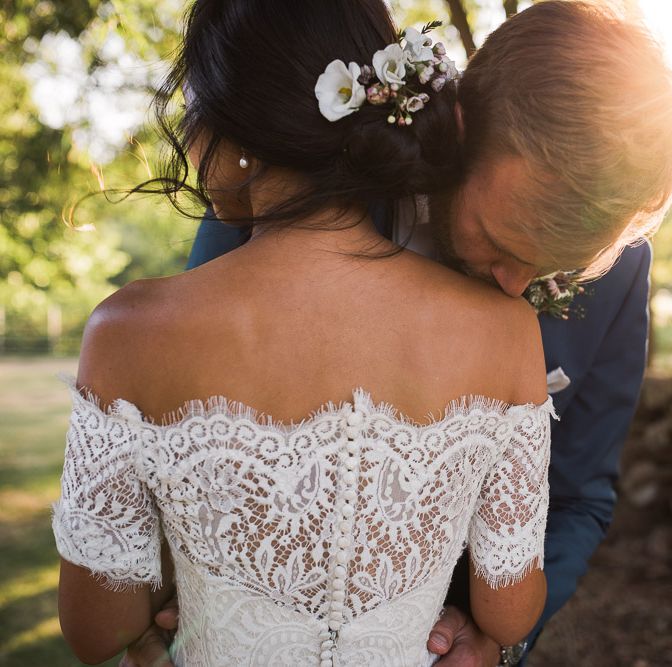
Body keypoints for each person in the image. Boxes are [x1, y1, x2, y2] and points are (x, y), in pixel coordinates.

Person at [121, 2, 672, 666]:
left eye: (550, 267)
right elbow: (182, 398)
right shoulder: (307, 170)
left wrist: (495, 641)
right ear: (463, 127)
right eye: (500, 241)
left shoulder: (620, 276)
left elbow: (580, 494)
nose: (513, 286)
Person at [53, 1, 555, 665]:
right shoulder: (504, 331)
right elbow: (507, 607)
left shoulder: (127, 332)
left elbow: (97, 630)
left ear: (235, 136)